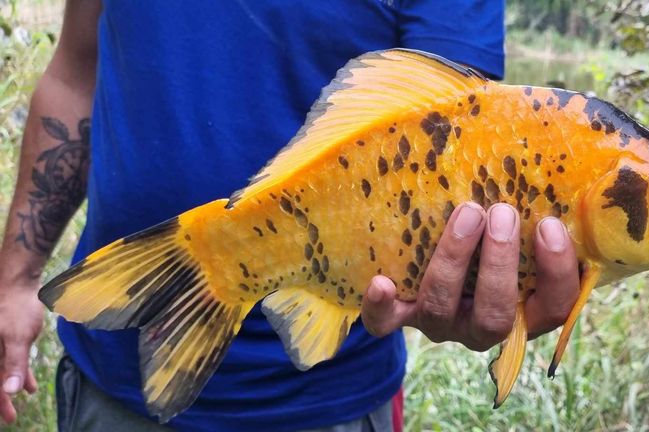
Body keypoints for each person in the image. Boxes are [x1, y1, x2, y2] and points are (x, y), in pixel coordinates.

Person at [0, 1, 581, 430]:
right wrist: (15, 279)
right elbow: (74, 74)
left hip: (332, 399)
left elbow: (461, 141)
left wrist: (477, 289)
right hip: (109, 377)